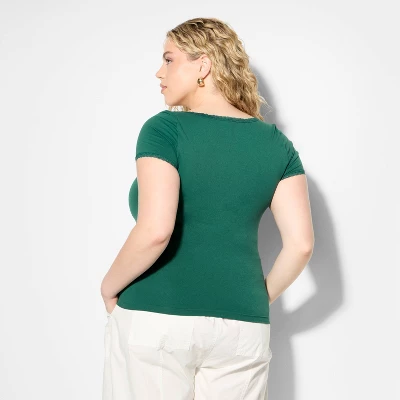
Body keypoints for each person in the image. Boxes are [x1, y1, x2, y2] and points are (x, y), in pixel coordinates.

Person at [100, 17, 314, 400]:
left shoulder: (165, 129)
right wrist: (252, 299)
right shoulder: (277, 144)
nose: (159, 72)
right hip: (242, 330)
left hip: (156, 319)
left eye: (169, 59)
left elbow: (156, 230)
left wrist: (109, 286)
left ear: (203, 65)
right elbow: (300, 246)